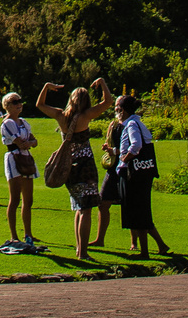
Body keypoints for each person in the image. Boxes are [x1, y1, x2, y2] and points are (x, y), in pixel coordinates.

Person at [35, 76, 113, 261]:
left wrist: (46, 85)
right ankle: (83, 252)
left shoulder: (60, 115)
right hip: (84, 166)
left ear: (71, 99)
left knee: (78, 207)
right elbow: (108, 101)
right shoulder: (86, 116)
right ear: (86, 101)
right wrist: (102, 83)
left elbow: (40, 105)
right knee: (86, 209)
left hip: (68, 167)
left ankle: (79, 249)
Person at [116, 94, 168, 259]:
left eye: (118, 109)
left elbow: (136, 145)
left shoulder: (131, 124)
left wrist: (126, 157)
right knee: (142, 210)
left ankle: (144, 252)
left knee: (138, 211)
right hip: (143, 171)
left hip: (134, 172)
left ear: (123, 110)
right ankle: (160, 246)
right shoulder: (137, 122)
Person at [0, 92, 38, 246]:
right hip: (14, 158)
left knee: (28, 200)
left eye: (20, 101)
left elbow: (33, 140)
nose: (18, 104)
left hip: (26, 158)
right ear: (7, 106)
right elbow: (20, 142)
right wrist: (28, 143)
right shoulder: (7, 123)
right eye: (15, 102)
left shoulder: (24, 122)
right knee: (15, 198)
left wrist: (30, 143)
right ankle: (14, 235)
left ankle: (28, 233)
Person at [95, 116, 122, 248]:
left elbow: (135, 147)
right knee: (103, 202)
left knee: (129, 205)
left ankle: (135, 242)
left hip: (124, 168)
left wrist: (114, 151)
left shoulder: (131, 126)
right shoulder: (114, 125)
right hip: (113, 168)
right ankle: (100, 239)